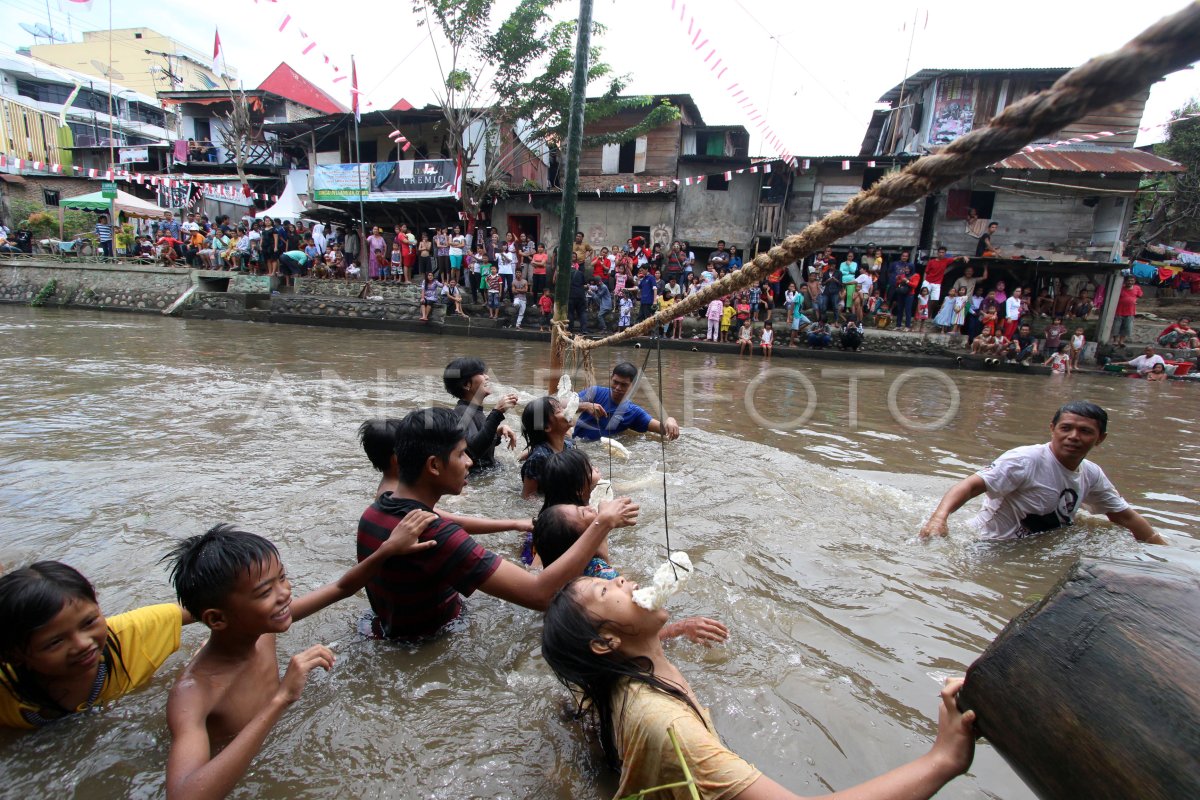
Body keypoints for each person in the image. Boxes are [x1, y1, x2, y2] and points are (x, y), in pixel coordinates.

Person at [540, 579, 977, 800]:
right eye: (607, 588)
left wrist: (669, 632)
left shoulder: (615, 677)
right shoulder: (669, 727)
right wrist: (943, 759)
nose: (626, 582)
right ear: (604, 643)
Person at [163, 519, 435, 797]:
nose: (285, 593)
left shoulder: (261, 630)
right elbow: (184, 795)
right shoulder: (193, 694)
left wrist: (387, 550)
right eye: (265, 592)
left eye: (281, 577)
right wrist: (281, 699)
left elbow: (341, 589)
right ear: (217, 618)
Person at [355, 407, 639, 640]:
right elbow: (539, 594)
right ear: (433, 465)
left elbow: (448, 518)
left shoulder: (380, 508)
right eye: (461, 454)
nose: (469, 462)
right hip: (435, 642)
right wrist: (602, 523)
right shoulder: (438, 537)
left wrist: (514, 523)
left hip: (388, 630)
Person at [920, 401, 1165, 544]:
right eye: (1066, 428)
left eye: (1085, 431)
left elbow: (1125, 517)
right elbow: (971, 485)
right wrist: (938, 519)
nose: (1073, 437)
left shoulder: (1091, 474)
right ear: (1052, 429)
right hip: (987, 544)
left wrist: (1162, 550)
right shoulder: (1026, 459)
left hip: (1037, 546)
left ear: (1100, 439)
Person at [0, 562, 187, 729]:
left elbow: (203, 608)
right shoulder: (5, 690)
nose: (82, 644)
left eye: (89, 622)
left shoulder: (130, 635)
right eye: (55, 642)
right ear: (13, 656)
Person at [573, 362, 681, 441]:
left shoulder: (633, 412)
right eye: (615, 382)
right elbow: (561, 404)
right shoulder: (595, 392)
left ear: (633, 386)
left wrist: (670, 420)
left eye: (624, 385)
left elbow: (664, 429)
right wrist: (585, 406)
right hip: (576, 442)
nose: (618, 388)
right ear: (611, 378)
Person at [443, 357, 518, 471]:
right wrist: (497, 413)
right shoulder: (462, 412)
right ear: (466, 384)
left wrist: (497, 432)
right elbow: (473, 450)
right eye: (481, 373)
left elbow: (482, 442)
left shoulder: (473, 410)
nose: (487, 377)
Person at [519, 396, 576, 499]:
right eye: (559, 411)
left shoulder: (569, 445)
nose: (567, 411)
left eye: (563, 408)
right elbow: (528, 497)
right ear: (547, 427)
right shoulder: (539, 459)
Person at [1112, 275, 1141, 346]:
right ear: (1125, 281)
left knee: (1127, 327)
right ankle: (1115, 340)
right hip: (1119, 310)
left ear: (1134, 281)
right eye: (1129, 280)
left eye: (1132, 281)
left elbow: (1139, 295)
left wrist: (1135, 300)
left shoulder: (1137, 288)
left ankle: (1121, 341)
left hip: (1130, 311)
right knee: (1116, 326)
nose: (1130, 282)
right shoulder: (1120, 288)